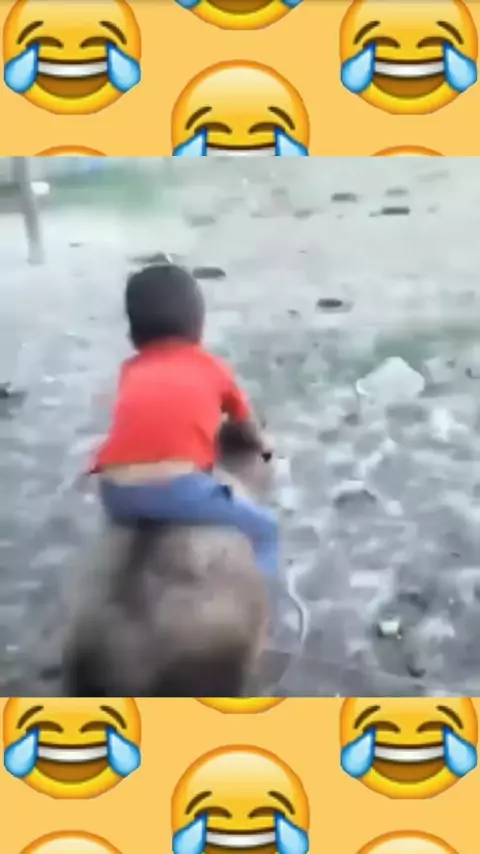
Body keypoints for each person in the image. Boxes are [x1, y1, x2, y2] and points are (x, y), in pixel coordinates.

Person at [90, 263, 279, 575]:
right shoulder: (212, 367)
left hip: (114, 492)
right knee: (267, 529)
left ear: (132, 334)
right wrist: (264, 443)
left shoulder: (130, 370)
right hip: (176, 487)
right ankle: (270, 598)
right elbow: (245, 424)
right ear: (199, 325)